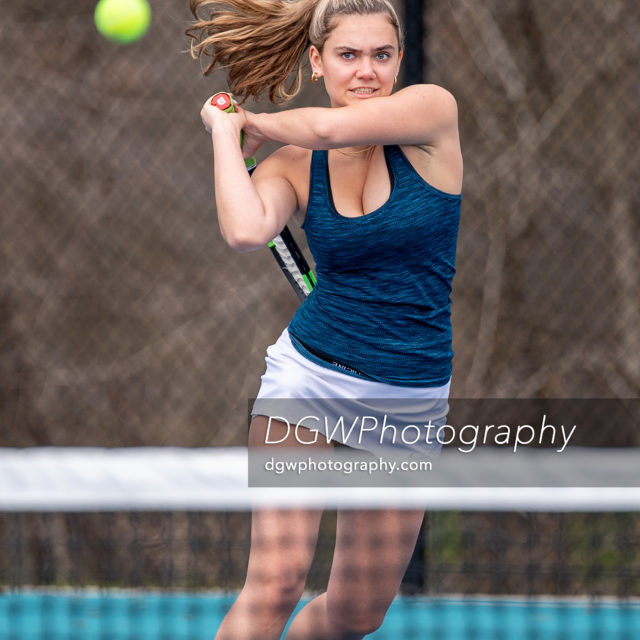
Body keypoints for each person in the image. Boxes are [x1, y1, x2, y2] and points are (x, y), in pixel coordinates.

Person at [188, 0, 462, 637]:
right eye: (347, 55)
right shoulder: (290, 161)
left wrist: (253, 118)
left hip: (409, 397)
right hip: (306, 382)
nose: (366, 72)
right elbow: (247, 230)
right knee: (277, 581)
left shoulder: (432, 114)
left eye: (381, 55)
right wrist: (228, 141)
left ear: (399, 60)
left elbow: (332, 131)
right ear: (317, 61)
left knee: (356, 614)